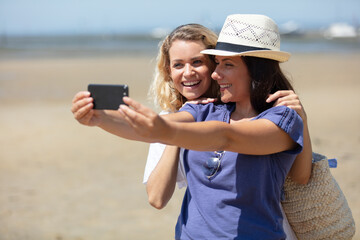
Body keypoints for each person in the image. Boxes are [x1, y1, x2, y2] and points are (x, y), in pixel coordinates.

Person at [71, 16, 312, 239]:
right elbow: (152, 127)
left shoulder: (282, 118)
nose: (216, 74)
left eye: (226, 64)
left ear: (256, 69)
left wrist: (163, 130)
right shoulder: (201, 110)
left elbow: (227, 136)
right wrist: (100, 119)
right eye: (216, 63)